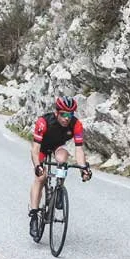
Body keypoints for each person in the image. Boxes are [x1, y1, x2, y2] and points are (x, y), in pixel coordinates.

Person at [29, 95, 91, 241]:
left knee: (63, 160)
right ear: (57, 112)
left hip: (58, 146)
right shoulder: (43, 122)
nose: (66, 118)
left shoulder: (76, 125)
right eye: (63, 114)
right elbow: (35, 150)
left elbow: (79, 150)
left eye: (69, 115)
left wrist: (83, 168)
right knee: (41, 177)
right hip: (42, 148)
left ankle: (59, 188)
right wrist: (38, 166)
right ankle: (33, 215)